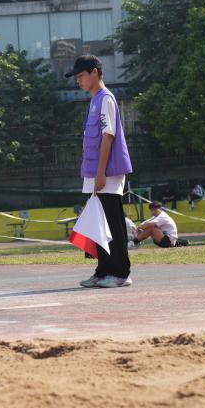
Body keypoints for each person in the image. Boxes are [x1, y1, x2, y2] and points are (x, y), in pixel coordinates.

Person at [67, 55, 133, 287]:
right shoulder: (94, 100)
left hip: (107, 173)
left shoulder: (106, 98)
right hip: (95, 172)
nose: (78, 80)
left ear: (95, 72)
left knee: (112, 222)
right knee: (99, 224)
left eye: (81, 75)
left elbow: (108, 136)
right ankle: (103, 270)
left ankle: (121, 273)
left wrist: (101, 173)